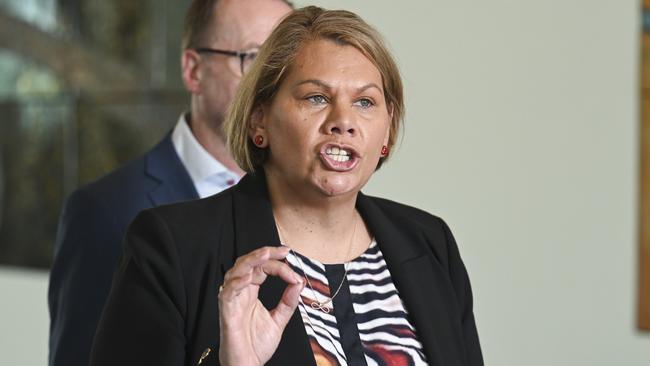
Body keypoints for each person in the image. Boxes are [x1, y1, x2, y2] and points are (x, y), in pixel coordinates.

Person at [90, 6, 483, 366]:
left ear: (388, 128)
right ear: (259, 121)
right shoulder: (171, 247)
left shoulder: (430, 243)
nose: (343, 121)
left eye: (365, 102)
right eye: (316, 97)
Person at [47, 1, 292, 366]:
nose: (275, 82)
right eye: (254, 58)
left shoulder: (304, 198)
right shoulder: (106, 211)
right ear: (194, 70)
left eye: (286, 63)